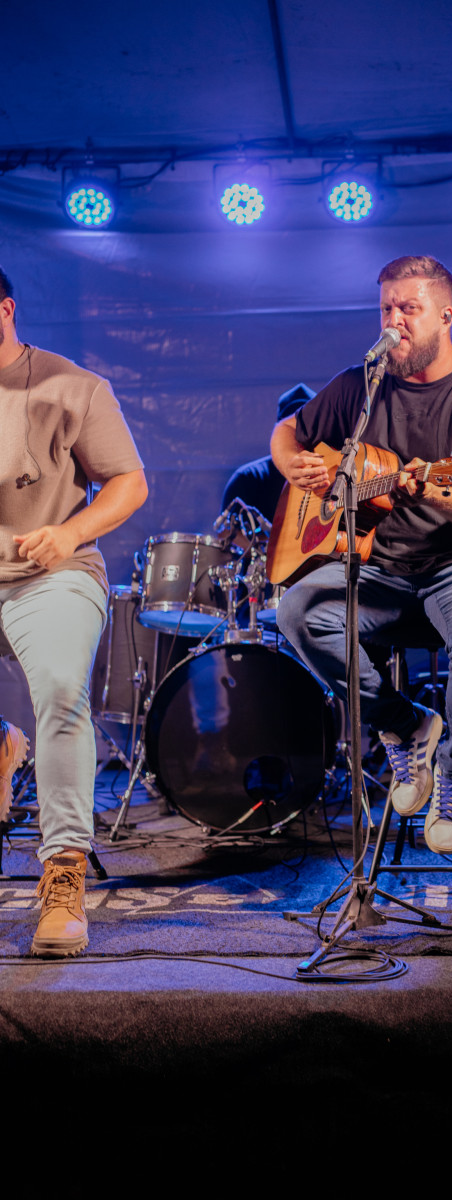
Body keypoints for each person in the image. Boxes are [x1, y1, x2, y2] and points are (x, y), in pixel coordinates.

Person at [271, 255, 452, 853]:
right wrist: (294, 467)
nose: (394, 321)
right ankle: (406, 724)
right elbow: (287, 431)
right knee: (297, 612)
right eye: (386, 308)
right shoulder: (360, 385)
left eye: (409, 308)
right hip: (382, 571)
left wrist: (432, 488)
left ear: (445, 314)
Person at [0, 266, 147, 956]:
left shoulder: (72, 386)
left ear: (6, 310)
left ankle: (63, 876)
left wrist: (70, 532)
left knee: (61, 689)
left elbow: (129, 482)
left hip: (52, 573)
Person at [221, 382, 315, 523]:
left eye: (308, 424)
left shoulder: (334, 475)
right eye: (292, 425)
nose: (301, 432)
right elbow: (230, 532)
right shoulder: (248, 479)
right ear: (280, 431)